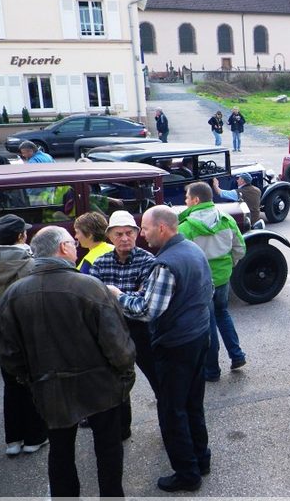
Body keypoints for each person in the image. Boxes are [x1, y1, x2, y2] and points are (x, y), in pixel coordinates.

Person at [0, 226, 135, 497]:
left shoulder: (13, 294)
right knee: (108, 448)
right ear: (62, 249)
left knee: (60, 451)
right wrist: (125, 374)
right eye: (72, 242)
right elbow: (117, 343)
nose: (76, 246)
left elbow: (7, 352)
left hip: (50, 388)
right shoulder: (90, 286)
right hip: (101, 386)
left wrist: (30, 379)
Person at [108, 206, 213, 493]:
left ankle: (187, 474)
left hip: (177, 345)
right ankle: (201, 460)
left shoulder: (164, 264)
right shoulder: (193, 249)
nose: (142, 234)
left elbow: (147, 311)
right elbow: (208, 290)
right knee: (192, 403)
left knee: (172, 410)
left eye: (144, 228)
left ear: (163, 228)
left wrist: (119, 296)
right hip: (198, 336)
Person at [0, 215, 48, 456]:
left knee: (11, 386)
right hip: (28, 339)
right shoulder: (30, 265)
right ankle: (35, 437)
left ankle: (13, 440)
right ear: (20, 237)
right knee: (33, 386)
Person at [178, 182, 247, 382]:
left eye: (187, 198)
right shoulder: (227, 220)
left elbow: (183, 258)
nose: (185, 201)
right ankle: (237, 355)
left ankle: (212, 370)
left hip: (201, 282)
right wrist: (229, 266)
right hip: (223, 277)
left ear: (196, 200)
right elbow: (240, 248)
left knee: (208, 323)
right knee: (223, 313)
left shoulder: (186, 227)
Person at [89, 211, 159, 397]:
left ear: (137, 234)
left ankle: (168, 415)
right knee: (113, 380)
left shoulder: (148, 261)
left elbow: (144, 301)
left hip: (142, 329)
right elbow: (93, 300)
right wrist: (130, 296)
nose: (125, 238)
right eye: (118, 234)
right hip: (111, 330)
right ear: (109, 236)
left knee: (157, 377)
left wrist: (114, 294)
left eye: (129, 233)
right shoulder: (100, 263)